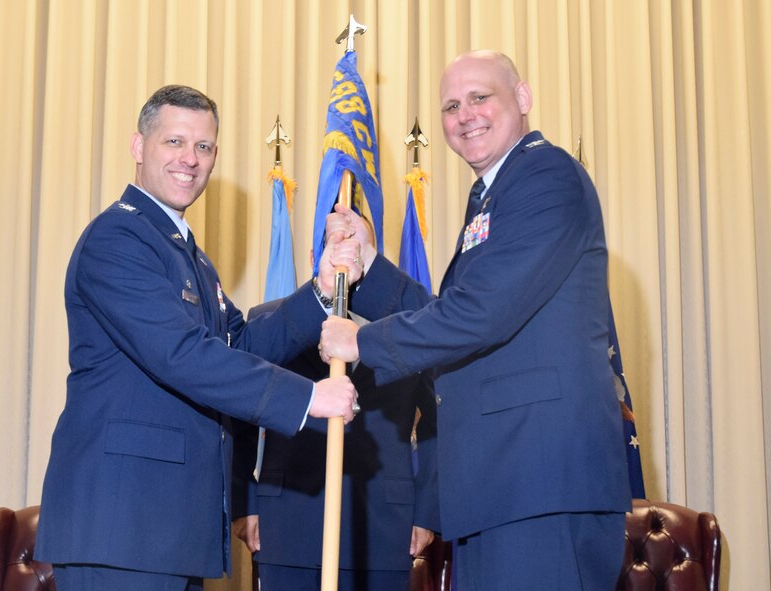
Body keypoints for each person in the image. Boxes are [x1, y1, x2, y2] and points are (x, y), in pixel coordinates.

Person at [319, 50, 632, 590]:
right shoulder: (492, 194)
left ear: (523, 98)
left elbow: (481, 313)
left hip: (541, 481)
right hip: (500, 482)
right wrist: (371, 263)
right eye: (450, 106)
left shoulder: (545, 174)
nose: (465, 115)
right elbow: (458, 309)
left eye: (480, 97)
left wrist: (362, 342)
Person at [35, 85, 363, 591]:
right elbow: (181, 354)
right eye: (174, 142)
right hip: (122, 528)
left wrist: (320, 290)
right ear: (139, 146)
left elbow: (241, 345)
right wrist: (306, 399)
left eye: (203, 146)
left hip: (170, 529)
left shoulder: (189, 255)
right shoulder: (118, 238)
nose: (189, 159)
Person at [231, 268, 440, 591]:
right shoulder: (270, 320)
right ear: (317, 256)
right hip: (287, 525)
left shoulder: (413, 325)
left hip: (383, 529)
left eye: (355, 247)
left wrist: (426, 512)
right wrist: (244, 502)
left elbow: (436, 419)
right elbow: (241, 411)